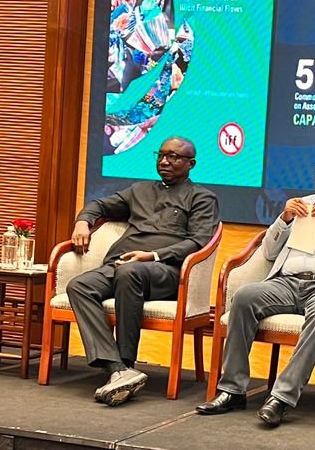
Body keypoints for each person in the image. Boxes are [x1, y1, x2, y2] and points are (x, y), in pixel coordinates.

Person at [197, 152, 315, 426]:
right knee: (244, 297)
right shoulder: (299, 205)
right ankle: (232, 390)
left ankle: (281, 397)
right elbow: (269, 251)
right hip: (286, 282)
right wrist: (284, 219)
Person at [67, 136, 219, 405]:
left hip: (165, 272)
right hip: (120, 266)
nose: (164, 161)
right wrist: (83, 222)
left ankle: (126, 361)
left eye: (173, 157)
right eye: (161, 155)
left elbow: (198, 241)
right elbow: (99, 205)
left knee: (130, 272)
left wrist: (153, 256)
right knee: (79, 286)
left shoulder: (202, 198)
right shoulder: (139, 190)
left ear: (191, 163)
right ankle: (118, 370)